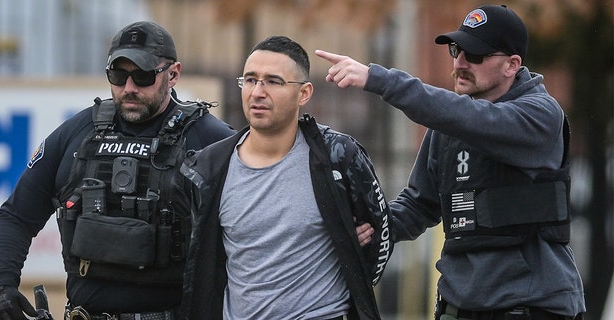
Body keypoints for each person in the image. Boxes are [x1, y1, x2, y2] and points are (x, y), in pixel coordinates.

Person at [316, 4, 585, 320]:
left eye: (474, 55)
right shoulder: (449, 126)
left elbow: (476, 120)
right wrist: (375, 225)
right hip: (459, 307)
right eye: (456, 50)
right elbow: (419, 205)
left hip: (530, 307)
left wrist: (380, 80)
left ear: (512, 65)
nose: (459, 63)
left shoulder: (540, 115)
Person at [0, 21, 235, 320]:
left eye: (143, 76)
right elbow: (16, 217)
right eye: (118, 75)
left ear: (173, 74)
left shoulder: (211, 140)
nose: (128, 88)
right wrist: (4, 288)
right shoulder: (78, 133)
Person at [177, 35, 393, 320]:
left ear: (303, 93)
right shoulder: (210, 167)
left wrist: (350, 256)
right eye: (250, 80)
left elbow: (379, 235)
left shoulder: (338, 156)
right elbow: (204, 264)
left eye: (273, 81)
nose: (257, 92)